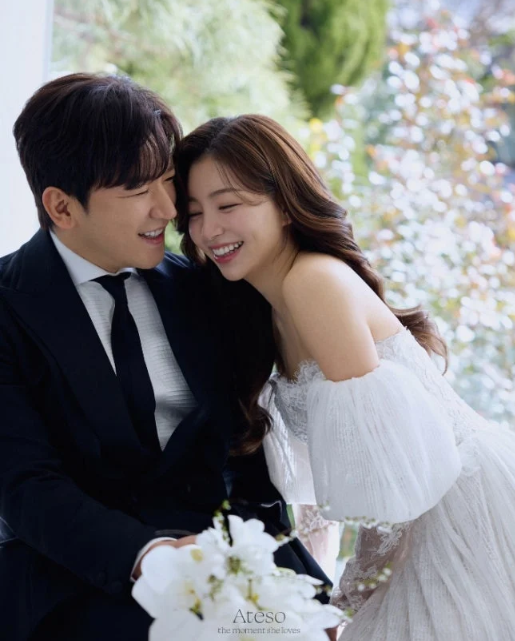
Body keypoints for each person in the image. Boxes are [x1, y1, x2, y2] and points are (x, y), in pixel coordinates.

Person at [0, 76, 331, 641]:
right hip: (75, 581)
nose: (168, 208)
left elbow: (244, 458)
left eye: (168, 179)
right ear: (61, 206)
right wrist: (153, 556)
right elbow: (27, 486)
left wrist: (296, 583)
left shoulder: (204, 286)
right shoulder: (9, 307)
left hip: (224, 559)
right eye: (137, 191)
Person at [174, 113, 515, 641]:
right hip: (420, 523)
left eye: (228, 205)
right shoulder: (268, 307)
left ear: (285, 202)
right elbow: (332, 483)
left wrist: (343, 600)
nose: (208, 229)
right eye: (194, 212)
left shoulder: (313, 283)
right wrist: (314, 592)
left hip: (459, 514)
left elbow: (391, 493)